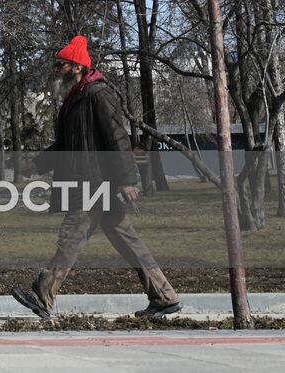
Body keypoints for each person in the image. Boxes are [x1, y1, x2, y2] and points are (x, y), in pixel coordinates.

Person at [10, 35, 182, 321]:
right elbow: (66, 146)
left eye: (60, 64)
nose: (55, 69)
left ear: (76, 66)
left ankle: (43, 294)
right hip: (87, 181)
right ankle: (164, 297)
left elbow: (117, 137)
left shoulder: (97, 95)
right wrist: (37, 164)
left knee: (71, 238)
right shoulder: (76, 99)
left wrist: (127, 179)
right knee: (129, 242)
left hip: (93, 183)